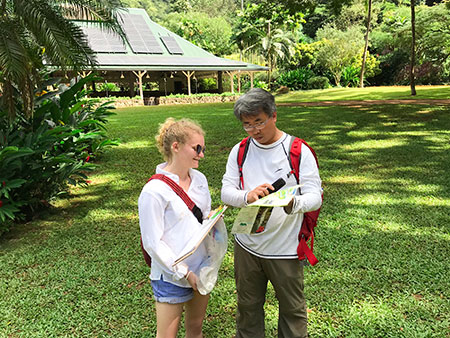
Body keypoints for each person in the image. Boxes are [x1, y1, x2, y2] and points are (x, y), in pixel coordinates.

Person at [221, 88, 322, 338]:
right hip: (247, 245)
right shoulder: (240, 150)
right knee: (248, 307)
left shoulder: (297, 150)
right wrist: (247, 196)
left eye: (259, 122)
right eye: (247, 124)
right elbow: (226, 192)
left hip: (284, 248)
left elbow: (315, 197)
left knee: (292, 309)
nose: (254, 130)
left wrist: (292, 203)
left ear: (274, 116)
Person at [139, 117, 211, 338]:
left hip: (201, 269)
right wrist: (184, 273)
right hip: (171, 275)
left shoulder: (199, 179)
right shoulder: (154, 191)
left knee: (195, 329)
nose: (201, 154)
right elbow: (153, 243)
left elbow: (204, 220)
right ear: (176, 146)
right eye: (196, 148)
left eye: (203, 148)